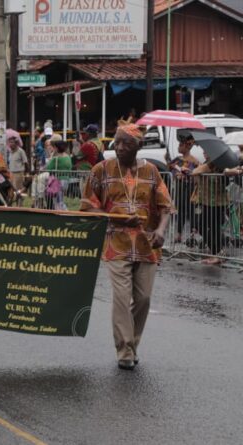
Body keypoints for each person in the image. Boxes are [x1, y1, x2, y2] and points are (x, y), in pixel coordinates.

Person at [80, 123, 172, 370]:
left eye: (126, 143)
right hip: (116, 242)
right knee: (121, 297)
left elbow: (166, 206)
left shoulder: (151, 171)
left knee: (143, 299)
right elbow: (88, 204)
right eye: (116, 142)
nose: (119, 147)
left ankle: (133, 345)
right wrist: (113, 218)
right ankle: (124, 350)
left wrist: (161, 230)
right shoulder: (101, 170)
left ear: (138, 147)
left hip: (146, 244)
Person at [169, 134, 200, 244]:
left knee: (191, 211)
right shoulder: (177, 160)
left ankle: (192, 235)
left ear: (186, 147)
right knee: (180, 210)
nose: (178, 147)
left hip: (190, 187)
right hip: (180, 187)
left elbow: (197, 175)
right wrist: (176, 173)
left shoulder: (194, 161)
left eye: (180, 145)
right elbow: (170, 167)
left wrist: (188, 175)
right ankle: (179, 234)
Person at [6, 129, 29, 198]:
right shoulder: (10, 152)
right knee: (12, 190)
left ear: (16, 143)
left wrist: (26, 173)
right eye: (9, 142)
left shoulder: (21, 151)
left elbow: (26, 163)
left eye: (12, 142)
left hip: (19, 173)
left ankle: (20, 205)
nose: (10, 144)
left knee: (19, 190)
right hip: (11, 173)